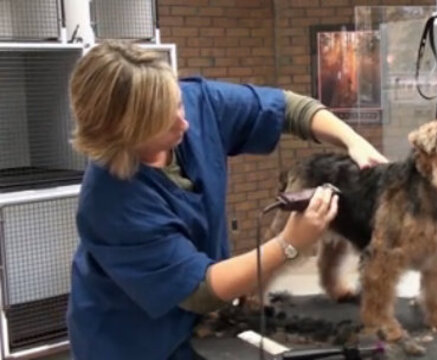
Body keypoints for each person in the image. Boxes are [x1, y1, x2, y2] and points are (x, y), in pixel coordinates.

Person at [66, 40, 387, 360]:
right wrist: (289, 243)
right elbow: (200, 290)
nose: (185, 123)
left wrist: (353, 141)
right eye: (164, 122)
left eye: (178, 105)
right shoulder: (110, 203)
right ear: (124, 133)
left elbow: (290, 109)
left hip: (201, 324)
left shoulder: (195, 104)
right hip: (128, 342)